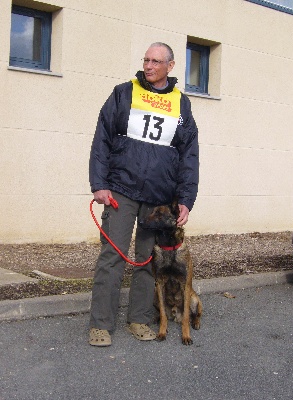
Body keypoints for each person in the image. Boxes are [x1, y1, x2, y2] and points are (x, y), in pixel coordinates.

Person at [89, 42, 199, 346]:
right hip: (121, 189)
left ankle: (139, 319)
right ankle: (100, 325)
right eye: (146, 60)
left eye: (155, 61)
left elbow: (189, 154)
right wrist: (99, 183)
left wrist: (186, 199)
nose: (148, 66)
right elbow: (102, 138)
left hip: (159, 197)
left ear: (170, 66)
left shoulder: (181, 103)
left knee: (148, 261)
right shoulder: (124, 93)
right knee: (112, 256)